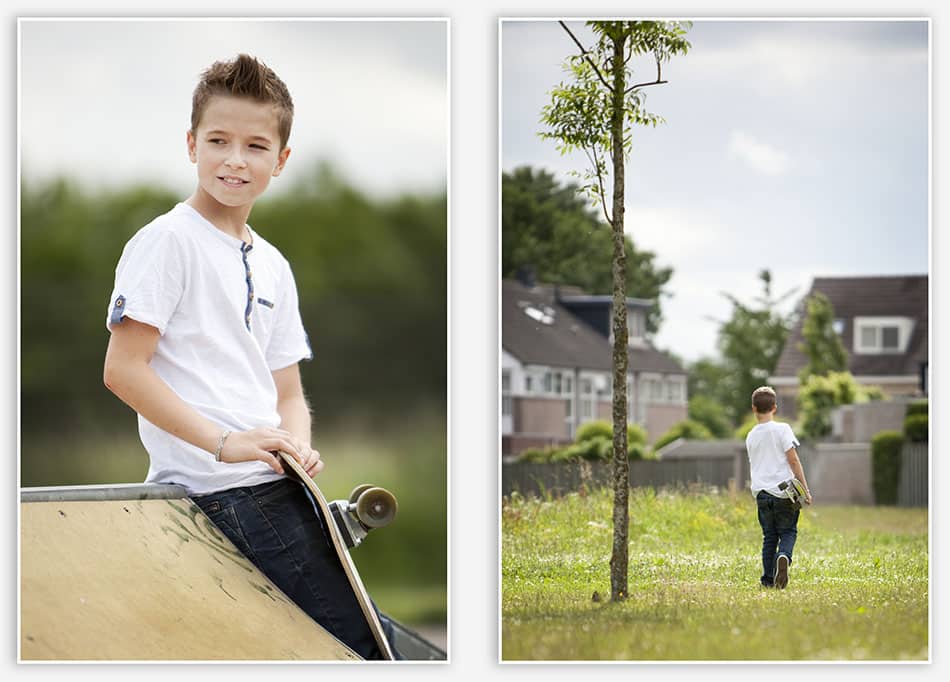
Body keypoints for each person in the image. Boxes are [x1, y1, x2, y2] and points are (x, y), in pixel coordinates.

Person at [103, 53, 394, 659]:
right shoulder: (166, 241)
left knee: (348, 643)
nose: (235, 159)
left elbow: (286, 390)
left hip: (278, 490)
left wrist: (297, 446)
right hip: (220, 492)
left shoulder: (273, 263)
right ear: (191, 145)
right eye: (218, 140)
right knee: (363, 649)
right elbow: (123, 369)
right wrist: (222, 442)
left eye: (256, 146)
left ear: (280, 161)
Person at [745, 386, 813, 589]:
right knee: (788, 531)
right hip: (784, 492)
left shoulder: (751, 436)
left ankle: (767, 580)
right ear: (774, 407)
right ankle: (783, 555)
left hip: (761, 494)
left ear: (753, 409)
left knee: (769, 537)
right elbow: (793, 460)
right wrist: (805, 489)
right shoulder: (782, 429)